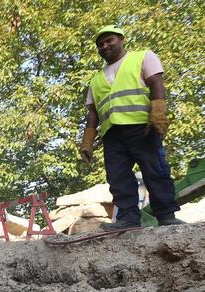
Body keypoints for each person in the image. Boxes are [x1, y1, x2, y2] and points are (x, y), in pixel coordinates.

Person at [78, 26, 184, 231]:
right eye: (100, 44)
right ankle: (127, 219)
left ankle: (166, 216)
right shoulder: (95, 80)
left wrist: (159, 114)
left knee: (155, 170)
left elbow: (156, 83)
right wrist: (87, 143)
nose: (104, 46)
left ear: (121, 39)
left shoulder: (143, 57)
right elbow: (93, 114)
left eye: (109, 40)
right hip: (112, 134)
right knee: (118, 178)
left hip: (142, 127)